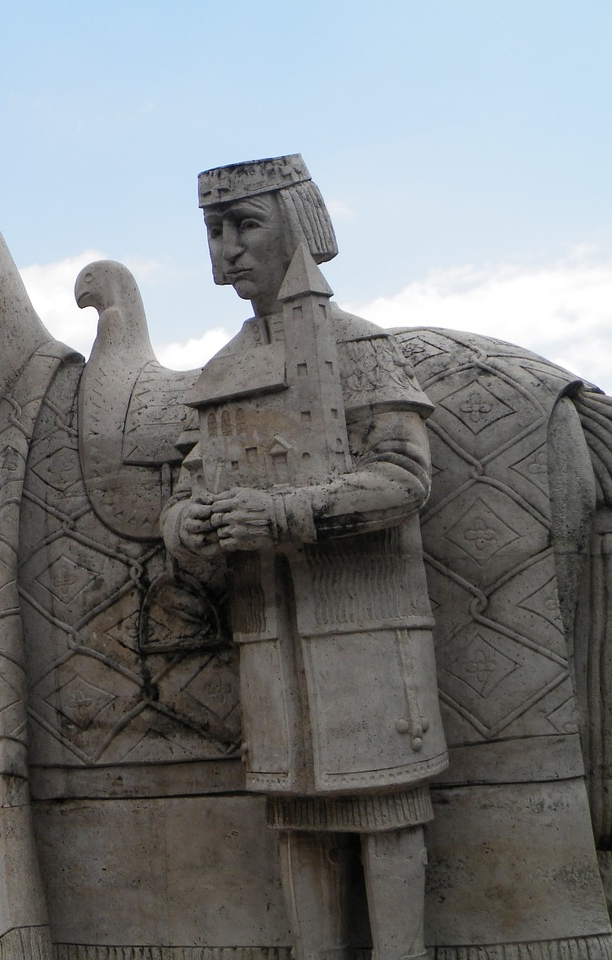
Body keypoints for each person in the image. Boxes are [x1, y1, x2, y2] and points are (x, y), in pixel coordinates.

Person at [160, 155, 447, 960]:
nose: (227, 250)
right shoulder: (222, 373)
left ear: (300, 224)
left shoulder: (362, 348)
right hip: (269, 649)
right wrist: (194, 525)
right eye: (215, 232)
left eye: (246, 225)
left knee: (386, 822)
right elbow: (181, 498)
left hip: (367, 641)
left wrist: (282, 512)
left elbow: (403, 479)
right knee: (299, 825)